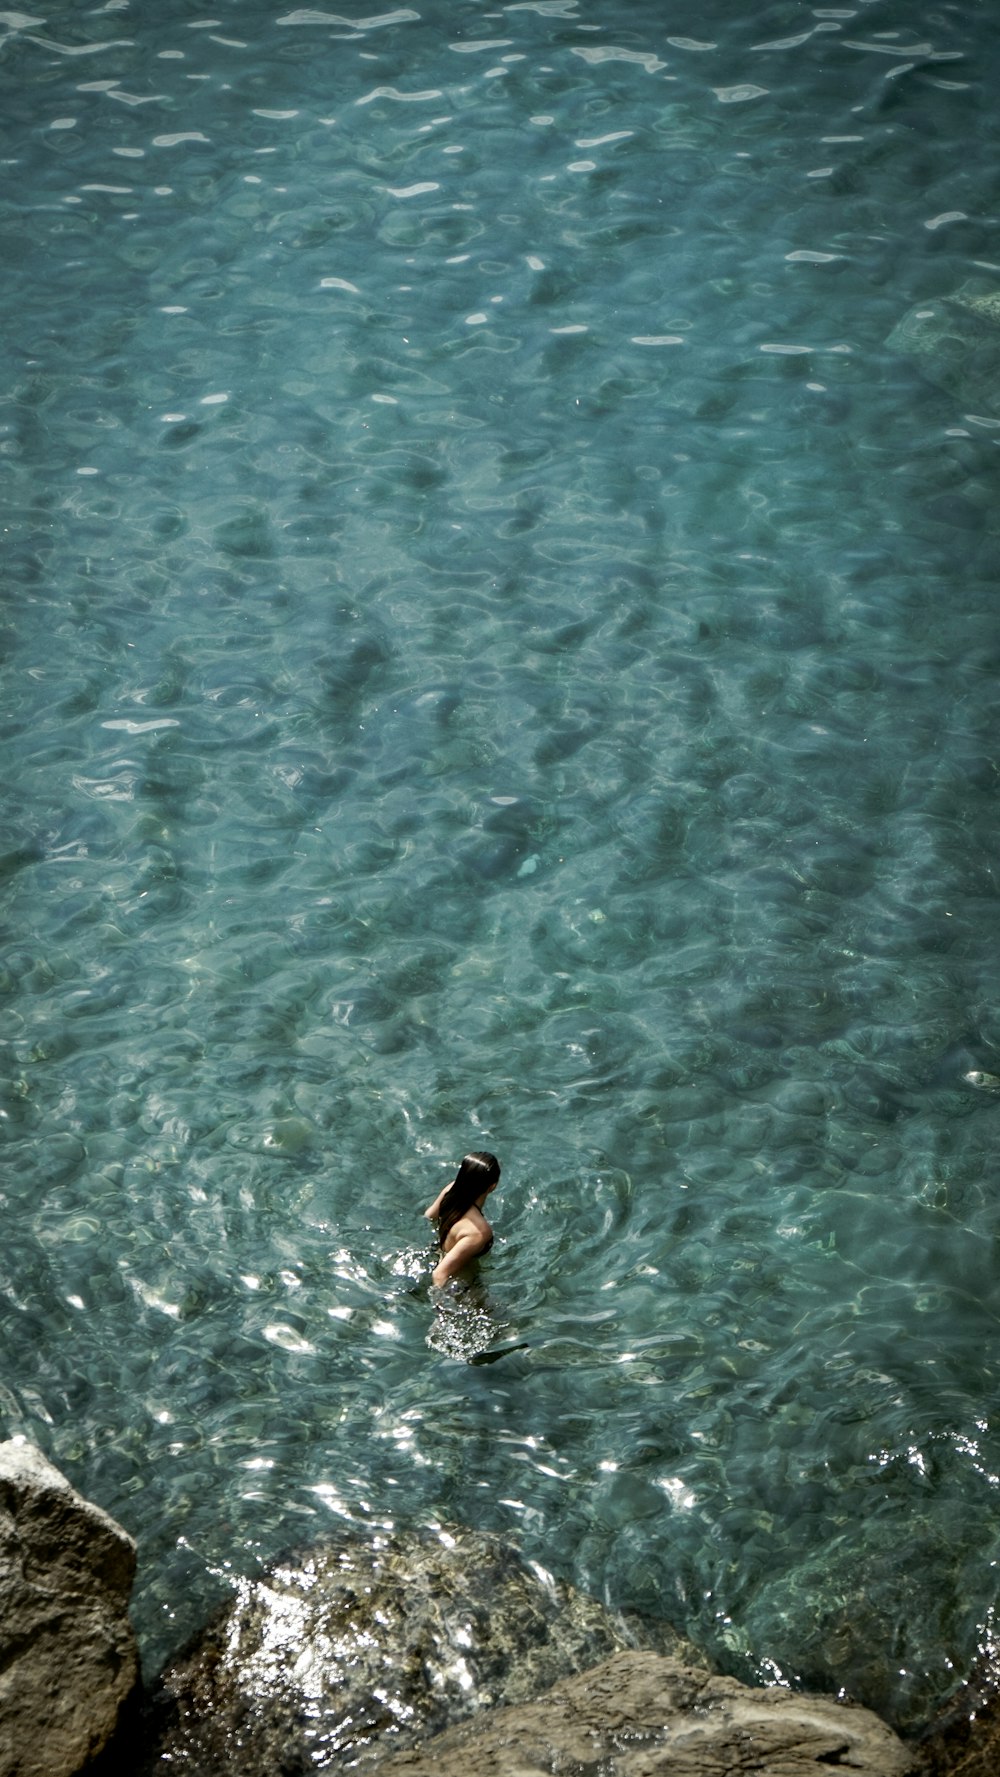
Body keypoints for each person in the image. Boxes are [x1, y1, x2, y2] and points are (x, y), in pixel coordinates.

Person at [424, 1151, 501, 1288]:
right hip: (462, 1285)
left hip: (438, 1254)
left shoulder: (451, 1191)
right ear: (492, 1186)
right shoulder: (480, 1232)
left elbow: (430, 1216)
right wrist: (442, 1307)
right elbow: (439, 1274)